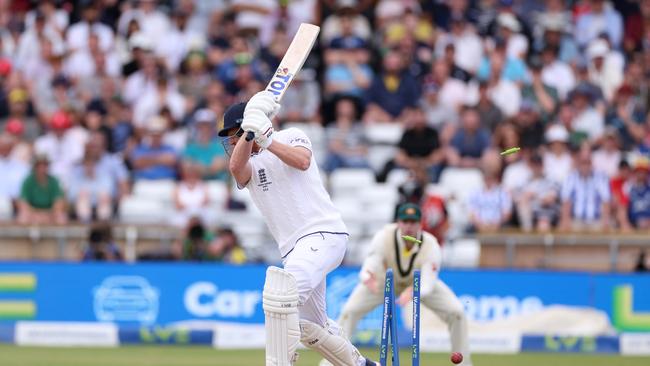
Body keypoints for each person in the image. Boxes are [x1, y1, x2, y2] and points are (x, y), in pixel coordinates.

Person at [220, 91, 380, 366]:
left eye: (235, 133)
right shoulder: (247, 162)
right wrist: (250, 133)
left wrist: (266, 139)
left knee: (281, 296)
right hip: (295, 250)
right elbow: (236, 167)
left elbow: (302, 161)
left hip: (323, 234)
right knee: (310, 328)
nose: (232, 141)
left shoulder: (291, 135)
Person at [330, 203, 471, 366]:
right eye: (405, 222)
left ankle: (464, 364)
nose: (409, 226)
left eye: (413, 222)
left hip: (416, 284)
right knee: (350, 311)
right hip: (384, 281)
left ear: (420, 223)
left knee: (457, 312)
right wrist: (367, 276)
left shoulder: (431, 244)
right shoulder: (384, 236)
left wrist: (412, 292)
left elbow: (428, 282)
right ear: (398, 222)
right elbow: (372, 262)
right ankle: (332, 362)